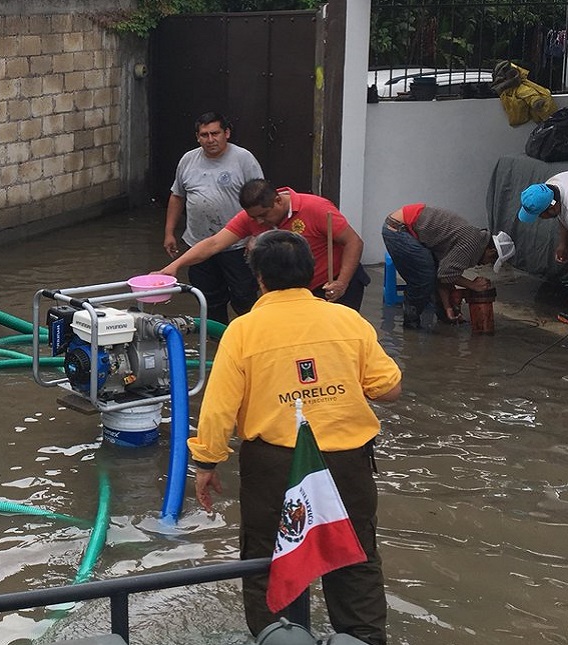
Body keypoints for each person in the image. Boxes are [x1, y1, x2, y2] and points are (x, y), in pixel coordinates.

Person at [189, 229, 402, 645]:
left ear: (259, 278)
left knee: (269, 557)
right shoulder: (348, 321)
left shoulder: (243, 331)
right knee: (354, 554)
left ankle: (278, 635)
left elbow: (218, 408)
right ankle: (362, 638)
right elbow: (389, 389)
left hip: (274, 464)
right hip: (347, 460)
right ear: (311, 272)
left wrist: (207, 462)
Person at [157, 178, 371, 311]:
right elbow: (213, 244)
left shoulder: (317, 208)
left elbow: (354, 242)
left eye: (264, 215)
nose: (259, 222)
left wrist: (341, 283)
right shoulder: (251, 218)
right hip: (293, 290)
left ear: (278, 200)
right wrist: (175, 266)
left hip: (333, 283)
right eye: (254, 217)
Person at [162, 112, 264, 324]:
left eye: (215, 133)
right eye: (204, 135)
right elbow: (177, 196)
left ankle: (252, 334)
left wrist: (256, 235)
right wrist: (169, 232)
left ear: (227, 133)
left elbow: (261, 200)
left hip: (237, 245)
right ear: (197, 137)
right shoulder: (188, 160)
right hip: (198, 245)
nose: (210, 140)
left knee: (244, 297)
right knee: (208, 300)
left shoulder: (243, 159)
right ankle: (216, 339)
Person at [382, 203, 506, 328]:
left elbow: (443, 277)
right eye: (490, 260)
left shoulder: (476, 240)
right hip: (397, 228)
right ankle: (410, 324)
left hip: (406, 227)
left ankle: (445, 316)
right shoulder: (472, 244)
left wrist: (448, 307)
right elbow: (446, 275)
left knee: (433, 273)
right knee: (424, 278)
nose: (486, 264)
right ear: (491, 251)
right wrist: (472, 285)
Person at [516, 172, 568, 265]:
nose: (539, 218)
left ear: (552, 209)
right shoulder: (549, 187)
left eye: (539, 215)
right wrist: (563, 244)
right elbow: (562, 216)